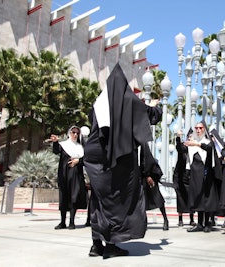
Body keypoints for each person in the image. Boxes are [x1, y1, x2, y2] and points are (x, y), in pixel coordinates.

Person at [83, 63, 153, 259]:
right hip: (112, 157)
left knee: (99, 200)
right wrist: (154, 106)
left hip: (94, 155)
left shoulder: (100, 102)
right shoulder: (125, 100)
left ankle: (96, 245)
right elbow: (148, 114)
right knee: (116, 200)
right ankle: (112, 244)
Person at [183, 121, 218, 233]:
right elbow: (188, 157)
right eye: (196, 128)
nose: (198, 130)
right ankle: (199, 224)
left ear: (204, 129)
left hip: (206, 172)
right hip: (195, 173)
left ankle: (207, 223)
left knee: (206, 198)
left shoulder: (208, 141)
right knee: (197, 197)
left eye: (200, 128)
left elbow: (209, 148)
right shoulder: (192, 142)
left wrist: (197, 144)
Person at [50, 126, 87, 230]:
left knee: (74, 198)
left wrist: (78, 161)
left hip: (76, 176)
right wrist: (55, 142)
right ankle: (62, 222)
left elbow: (86, 160)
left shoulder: (81, 147)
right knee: (64, 197)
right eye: (73, 132)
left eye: (77, 133)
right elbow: (56, 151)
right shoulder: (64, 145)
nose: (75, 135)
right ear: (69, 133)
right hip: (64, 175)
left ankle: (71, 222)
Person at [140, 143, 169, 231]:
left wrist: (148, 175)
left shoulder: (143, 143)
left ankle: (165, 219)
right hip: (139, 175)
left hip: (149, 175)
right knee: (142, 199)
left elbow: (148, 159)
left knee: (157, 197)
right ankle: (143, 222)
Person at [173, 129, 196, 227]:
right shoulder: (183, 146)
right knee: (180, 196)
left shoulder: (196, 147)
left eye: (192, 136)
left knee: (191, 196)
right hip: (181, 174)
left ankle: (191, 219)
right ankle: (180, 219)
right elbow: (178, 148)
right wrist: (178, 137)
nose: (190, 138)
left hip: (192, 174)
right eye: (189, 136)